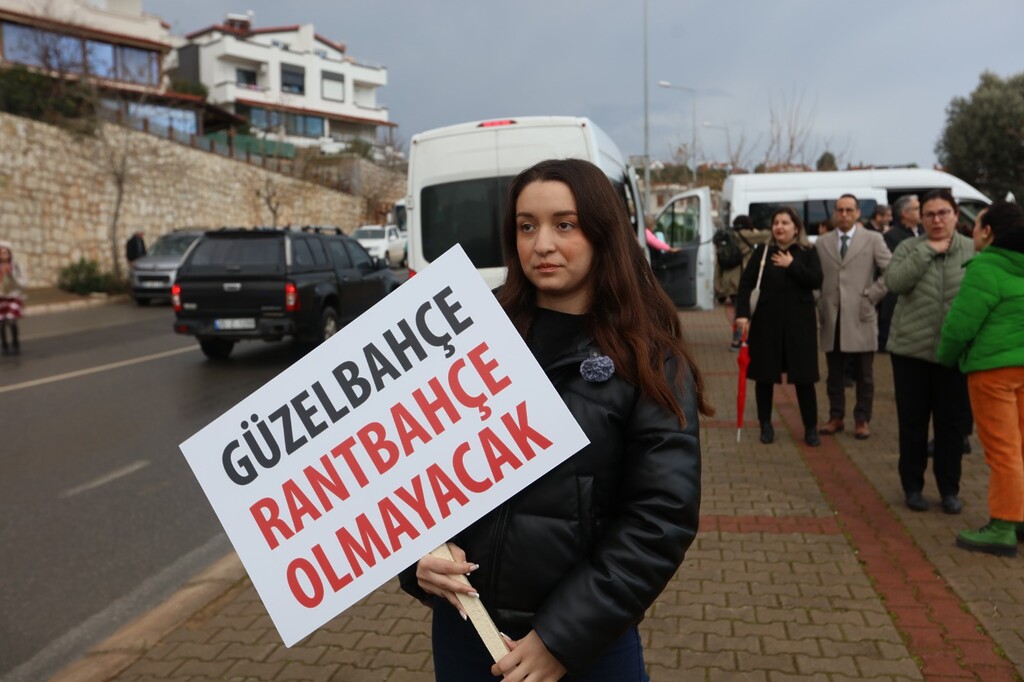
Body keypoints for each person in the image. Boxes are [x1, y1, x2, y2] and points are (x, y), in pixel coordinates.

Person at [399, 159, 707, 680]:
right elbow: (398, 465)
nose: (542, 244)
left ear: (602, 232)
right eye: (526, 226)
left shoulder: (648, 357)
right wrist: (415, 558)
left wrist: (559, 640)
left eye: (564, 224)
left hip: (585, 648)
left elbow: (660, 518)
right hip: (466, 631)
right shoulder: (467, 331)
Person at [937, 202, 1024, 556]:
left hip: (993, 371)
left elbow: (961, 325)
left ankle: (1002, 526)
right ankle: (1019, 516)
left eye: (976, 225)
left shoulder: (985, 267)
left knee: (1003, 451)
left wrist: (946, 358)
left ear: (987, 232)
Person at [886, 189, 974, 514]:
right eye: (930, 214)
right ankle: (912, 486)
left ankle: (949, 489)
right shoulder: (909, 247)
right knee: (913, 424)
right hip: (910, 351)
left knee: (951, 427)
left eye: (943, 213)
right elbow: (895, 283)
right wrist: (928, 251)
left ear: (955, 215)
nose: (936, 220)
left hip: (955, 355)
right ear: (921, 218)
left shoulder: (972, 250)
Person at [734, 207, 823, 446]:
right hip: (766, 325)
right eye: (776, 223)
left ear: (796, 227)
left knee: (804, 380)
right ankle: (766, 425)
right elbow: (745, 284)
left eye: (785, 222)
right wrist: (742, 315)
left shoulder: (807, 251)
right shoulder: (763, 252)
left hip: (799, 327)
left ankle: (811, 428)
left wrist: (792, 264)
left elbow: (816, 280)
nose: (780, 227)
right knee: (765, 378)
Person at [816, 194, 892, 440]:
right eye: (840, 210)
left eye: (849, 210)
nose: (844, 214)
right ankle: (835, 416)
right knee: (834, 374)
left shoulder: (872, 239)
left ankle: (862, 419)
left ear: (858, 213)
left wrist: (872, 295)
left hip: (861, 314)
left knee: (864, 375)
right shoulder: (823, 242)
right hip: (832, 315)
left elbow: (890, 270)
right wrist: (819, 299)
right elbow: (815, 275)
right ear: (835, 213)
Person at [878, 194, 921, 350]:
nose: (920, 211)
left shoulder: (922, 232)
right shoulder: (891, 237)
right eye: (916, 208)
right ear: (905, 213)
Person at [0, 244, 24, 356]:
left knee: (11, 320)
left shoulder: (15, 266)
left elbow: (23, 280)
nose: (3, 255)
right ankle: (4, 344)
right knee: (1, 322)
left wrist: (12, 278)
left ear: (9, 254)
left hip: (12, 296)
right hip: (1, 297)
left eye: (5, 252)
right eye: (1, 253)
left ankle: (15, 342)